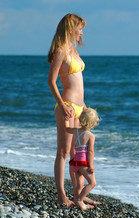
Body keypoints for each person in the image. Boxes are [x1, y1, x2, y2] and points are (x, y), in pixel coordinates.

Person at [48, 13, 87, 206]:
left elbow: (79, 82)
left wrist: (84, 105)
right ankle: (61, 196)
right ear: (70, 28)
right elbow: (51, 82)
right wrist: (62, 106)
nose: (81, 32)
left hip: (79, 107)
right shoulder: (61, 51)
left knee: (76, 154)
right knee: (63, 152)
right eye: (79, 28)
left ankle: (79, 194)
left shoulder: (73, 50)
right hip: (67, 107)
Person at [66, 108, 100, 210]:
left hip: (75, 161)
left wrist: (67, 119)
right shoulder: (90, 136)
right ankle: (80, 200)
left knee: (79, 184)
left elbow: (66, 129)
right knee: (92, 182)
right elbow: (90, 152)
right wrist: (91, 166)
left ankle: (80, 200)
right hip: (83, 163)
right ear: (93, 123)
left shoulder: (76, 131)